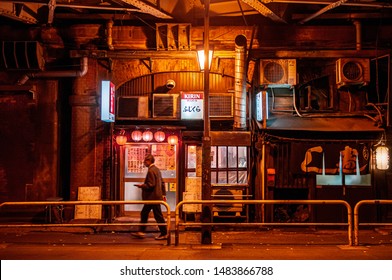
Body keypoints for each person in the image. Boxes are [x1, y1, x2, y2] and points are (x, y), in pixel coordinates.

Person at [131, 154, 168, 240]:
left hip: (152, 197)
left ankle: (164, 233)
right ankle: (142, 231)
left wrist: (142, 186)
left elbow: (151, 185)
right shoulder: (157, 170)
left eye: (145, 161)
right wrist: (163, 194)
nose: (144, 163)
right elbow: (162, 183)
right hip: (156, 196)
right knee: (146, 213)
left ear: (149, 161)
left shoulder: (151, 171)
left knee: (156, 215)